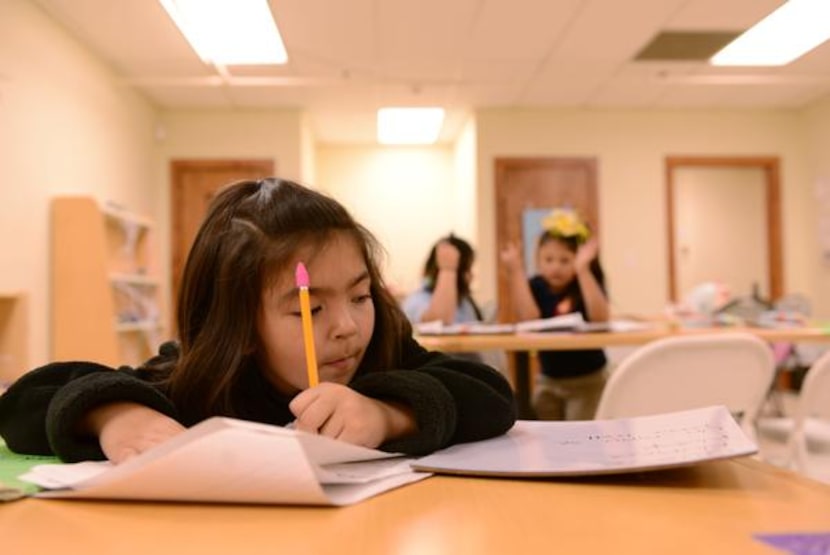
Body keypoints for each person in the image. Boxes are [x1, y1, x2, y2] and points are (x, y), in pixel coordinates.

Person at [0, 178, 516, 463]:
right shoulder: (198, 384)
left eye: (360, 297)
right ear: (239, 327)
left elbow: (491, 395)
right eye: (310, 309)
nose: (347, 327)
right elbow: (25, 402)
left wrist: (389, 414)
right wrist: (113, 416)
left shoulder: (383, 357)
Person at [500, 208, 609, 421]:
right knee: (548, 440)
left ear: (577, 260)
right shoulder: (536, 285)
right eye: (548, 260)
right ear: (538, 260)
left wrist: (583, 270)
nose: (555, 268)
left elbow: (601, 318)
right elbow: (530, 318)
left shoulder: (585, 284)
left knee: (580, 439)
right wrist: (515, 271)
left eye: (565, 260)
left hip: (588, 381)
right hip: (548, 380)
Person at [402, 235, 483, 326]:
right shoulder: (417, 300)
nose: (471, 275)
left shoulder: (465, 303)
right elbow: (438, 323)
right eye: (467, 269)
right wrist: (448, 269)